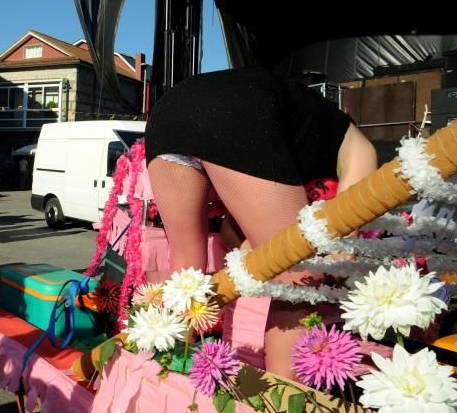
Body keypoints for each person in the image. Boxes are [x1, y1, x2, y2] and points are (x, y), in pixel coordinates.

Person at [143, 67, 378, 377]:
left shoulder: (295, 135)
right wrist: (327, 263)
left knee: (186, 273)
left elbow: (231, 232)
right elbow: (345, 240)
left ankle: (150, 377)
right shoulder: (355, 145)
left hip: (169, 113)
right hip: (233, 109)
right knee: (298, 286)